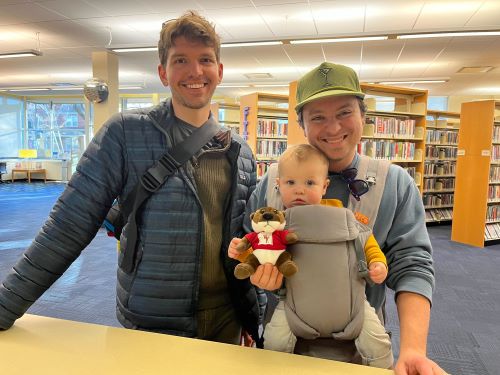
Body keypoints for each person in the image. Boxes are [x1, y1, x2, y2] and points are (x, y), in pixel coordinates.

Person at [0, 10, 262, 347]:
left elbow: (251, 241)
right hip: (153, 321)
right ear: (163, 72)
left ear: (219, 70)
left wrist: (255, 317)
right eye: (180, 59)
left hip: (227, 318)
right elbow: (66, 227)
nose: (195, 71)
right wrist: (5, 307)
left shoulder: (240, 151)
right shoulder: (124, 133)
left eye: (205, 60)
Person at [240, 62, 446, 374]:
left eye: (344, 112)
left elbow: (413, 263)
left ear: (364, 116)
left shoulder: (393, 183)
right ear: (303, 125)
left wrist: (414, 349)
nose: (334, 128)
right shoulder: (271, 182)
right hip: (283, 346)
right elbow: (247, 246)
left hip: (362, 348)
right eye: (318, 117)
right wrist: (257, 273)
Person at [229, 144, 393, 368]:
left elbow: (367, 241)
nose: (299, 190)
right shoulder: (276, 226)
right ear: (277, 185)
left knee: (378, 343)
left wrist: (377, 263)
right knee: (274, 341)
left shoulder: (343, 216)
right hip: (293, 303)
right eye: (290, 183)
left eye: (309, 183)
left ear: (324, 186)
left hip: (352, 301)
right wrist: (242, 252)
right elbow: (262, 254)